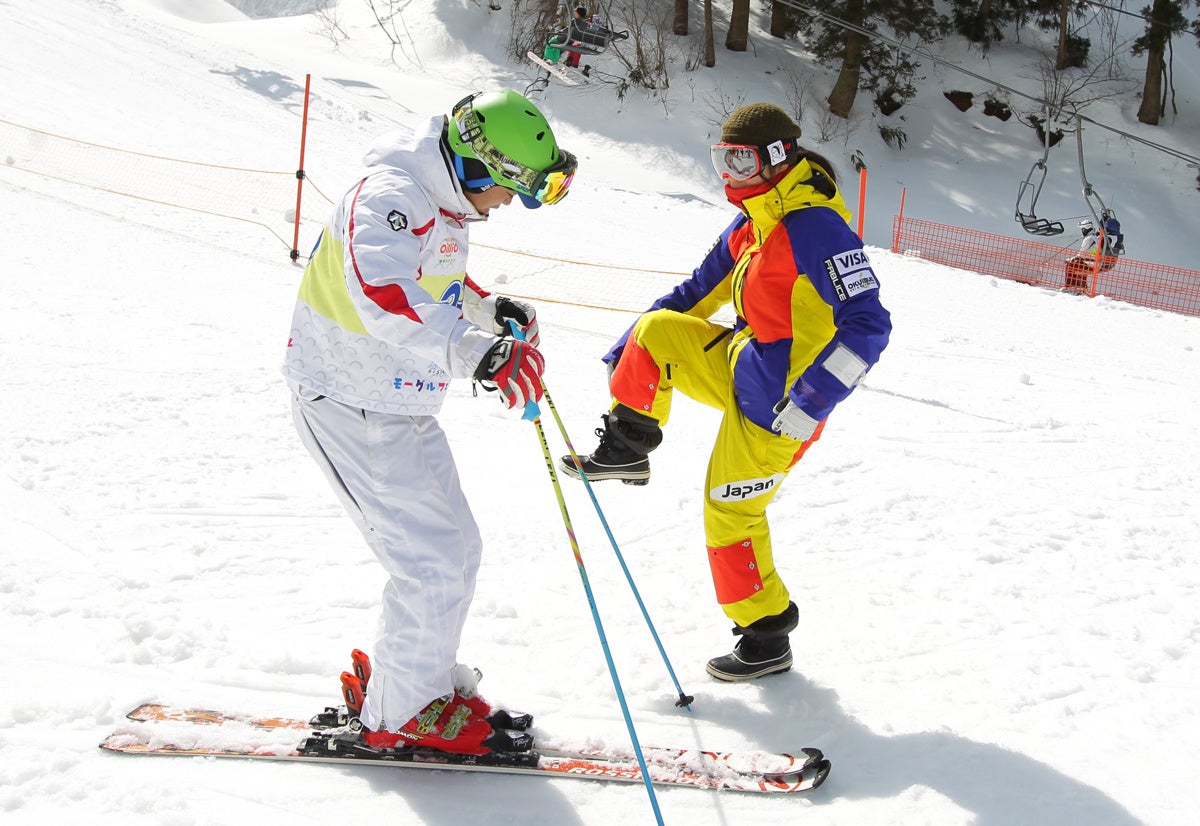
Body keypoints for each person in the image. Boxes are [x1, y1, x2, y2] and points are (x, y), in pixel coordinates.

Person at [283, 89, 577, 754]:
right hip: (352, 400)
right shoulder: (391, 195)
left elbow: (430, 282)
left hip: (397, 400)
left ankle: (416, 683)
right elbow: (383, 292)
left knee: (455, 551)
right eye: (508, 188)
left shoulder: (437, 202)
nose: (507, 204)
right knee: (430, 562)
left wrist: (487, 311)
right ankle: (400, 711)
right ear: (477, 166)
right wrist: (479, 352)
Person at [561, 103, 891, 682]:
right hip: (742, 366)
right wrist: (627, 351)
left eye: (740, 159)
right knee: (657, 330)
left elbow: (869, 326)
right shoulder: (751, 224)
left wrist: (811, 402)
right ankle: (627, 448)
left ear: (777, 158)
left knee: (730, 513)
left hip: (780, 408)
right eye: (721, 158)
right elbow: (693, 294)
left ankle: (766, 637)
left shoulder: (816, 228)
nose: (728, 173)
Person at [1064, 214, 1123, 294]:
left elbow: (1082, 253)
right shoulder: (1097, 237)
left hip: (1097, 263)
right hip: (1100, 262)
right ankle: (1081, 287)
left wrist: (1072, 259)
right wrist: (1103, 219)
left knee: (1072, 264)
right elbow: (1099, 232)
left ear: (1085, 229)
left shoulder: (1089, 238)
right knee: (1080, 265)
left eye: (1082, 229)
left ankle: (1071, 286)